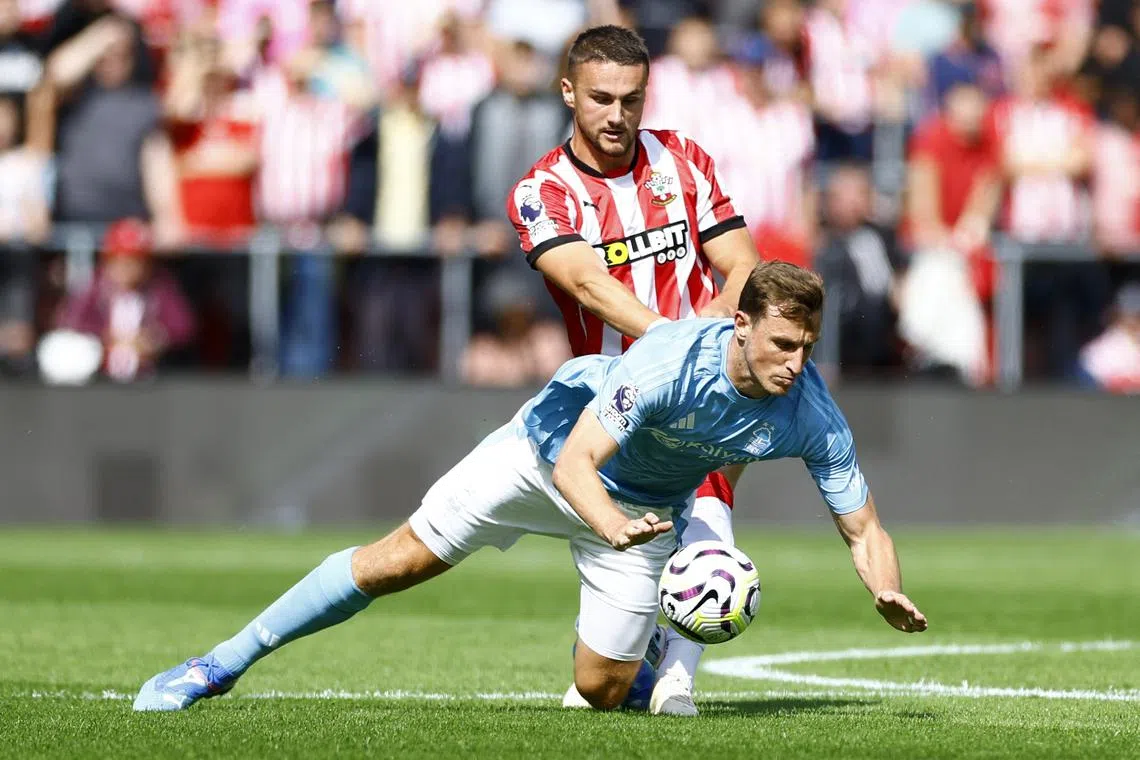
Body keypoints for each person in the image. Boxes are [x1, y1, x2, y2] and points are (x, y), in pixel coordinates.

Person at [133, 261, 928, 713]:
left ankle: (640, 650)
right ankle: (217, 665)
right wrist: (612, 525)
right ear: (743, 326)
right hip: (542, 456)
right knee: (397, 563)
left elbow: (863, 528)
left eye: (807, 347)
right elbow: (574, 464)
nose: (795, 363)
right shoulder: (667, 361)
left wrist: (884, 590)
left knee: (602, 691)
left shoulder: (808, 410)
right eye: (783, 344)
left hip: (642, 515)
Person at [505, 25, 759, 716]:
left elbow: (742, 263)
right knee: (606, 653)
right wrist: (674, 347)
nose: (617, 115)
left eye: (632, 98)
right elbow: (590, 286)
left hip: (703, 380)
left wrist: (705, 347)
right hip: (608, 393)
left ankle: (678, 678)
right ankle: (634, 652)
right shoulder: (543, 190)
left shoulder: (683, 159)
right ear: (568, 93)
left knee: (710, 504)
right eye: (601, 98)